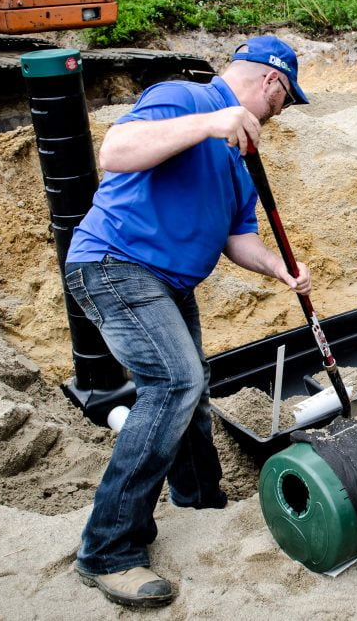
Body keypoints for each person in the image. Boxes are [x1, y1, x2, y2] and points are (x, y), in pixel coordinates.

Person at [63, 35, 311, 608]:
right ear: (271, 82)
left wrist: (282, 270)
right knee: (174, 382)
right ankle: (108, 551)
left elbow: (237, 238)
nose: (281, 112)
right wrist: (209, 123)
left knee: (190, 392)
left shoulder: (240, 156)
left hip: (171, 282)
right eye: (285, 100)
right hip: (116, 263)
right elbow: (116, 152)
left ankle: (202, 503)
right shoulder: (186, 99)